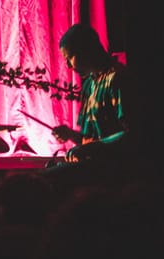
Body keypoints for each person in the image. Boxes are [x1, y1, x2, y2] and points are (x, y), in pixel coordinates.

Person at [44, 22, 140, 190]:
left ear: (86, 50)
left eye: (69, 58)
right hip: (94, 166)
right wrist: (72, 135)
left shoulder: (117, 79)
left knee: (49, 181)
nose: (67, 65)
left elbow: (132, 134)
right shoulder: (89, 84)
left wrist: (92, 148)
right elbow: (90, 138)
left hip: (113, 169)